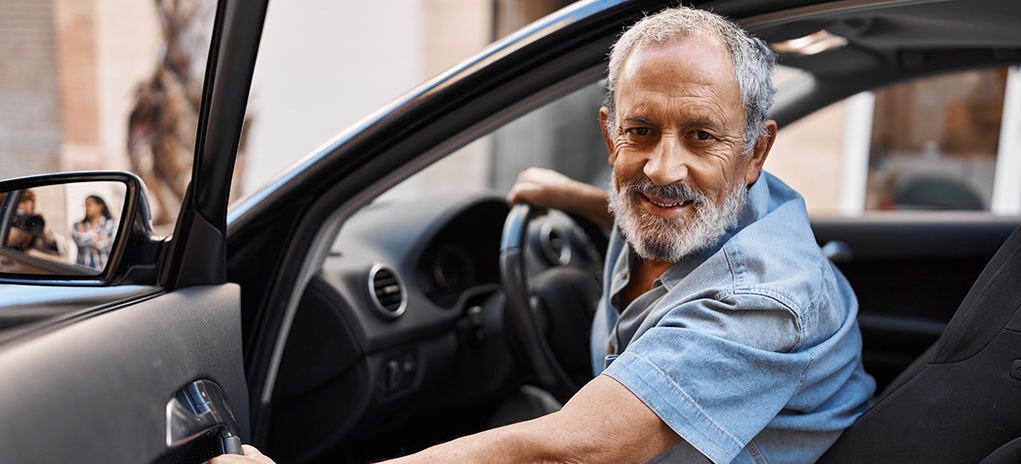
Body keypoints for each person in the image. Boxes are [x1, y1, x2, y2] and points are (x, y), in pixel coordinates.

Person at [209, 6, 874, 464]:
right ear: (610, 133)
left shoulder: (761, 294)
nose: (662, 168)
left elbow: (574, 449)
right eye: (640, 131)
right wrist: (569, 198)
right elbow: (656, 204)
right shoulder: (717, 204)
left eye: (701, 135)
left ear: (755, 153)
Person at [4, 189, 66, 258]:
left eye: (27, 214)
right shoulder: (3, 228)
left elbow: (62, 251)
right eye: (19, 214)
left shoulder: (28, 235)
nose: (22, 220)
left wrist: (44, 233)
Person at [71, 195, 117, 270]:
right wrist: (97, 238)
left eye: (89, 204)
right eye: (85, 205)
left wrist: (83, 235)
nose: (86, 207)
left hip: (102, 270)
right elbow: (77, 239)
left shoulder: (112, 224)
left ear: (100, 206)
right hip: (82, 269)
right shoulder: (79, 225)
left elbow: (111, 245)